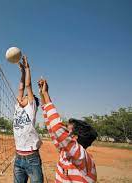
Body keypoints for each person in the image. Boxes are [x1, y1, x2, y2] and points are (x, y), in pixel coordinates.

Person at [38, 79, 98, 182]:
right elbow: (52, 128)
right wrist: (43, 96)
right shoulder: (65, 151)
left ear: (75, 138)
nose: (65, 131)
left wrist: (46, 93)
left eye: (67, 131)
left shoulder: (81, 156)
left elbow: (57, 128)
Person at [13, 55, 43, 183]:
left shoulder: (31, 108)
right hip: (18, 158)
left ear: (31, 101)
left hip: (32, 158)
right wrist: (22, 72)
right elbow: (21, 88)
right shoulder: (18, 108)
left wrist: (27, 68)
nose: (22, 98)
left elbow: (27, 86)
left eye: (25, 97)